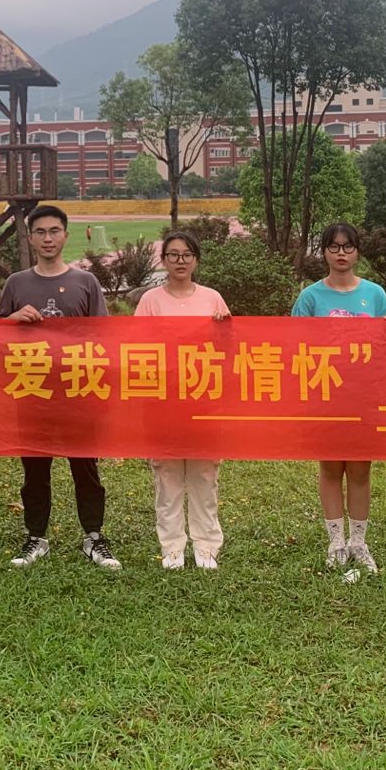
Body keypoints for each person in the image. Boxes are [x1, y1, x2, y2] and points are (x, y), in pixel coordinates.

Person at [0, 205, 121, 570]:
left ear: (65, 235)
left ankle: (94, 537)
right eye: (40, 232)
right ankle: (36, 537)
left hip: (78, 390)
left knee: (85, 468)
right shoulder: (16, 283)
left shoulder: (86, 282)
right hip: (32, 389)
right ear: (30, 238)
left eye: (54, 231)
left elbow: (103, 336)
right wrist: (12, 319)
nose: (48, 238)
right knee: (35, 469)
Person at [291, 222, 386, 579]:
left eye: (348, 247)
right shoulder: (310, 298)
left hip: (364, 396)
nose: (341, 253)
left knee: (361, 469)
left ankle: (359, 543)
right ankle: (336, 542)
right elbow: (294, 346)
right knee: (331, 468)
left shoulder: (375, 295)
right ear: (324, 252)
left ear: (357, 252)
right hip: (326, 396)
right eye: (333, 247)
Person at [133, 229, 231, 569]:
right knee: (167, 476)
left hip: (204, 399)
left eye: (187, 255)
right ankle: (172, 547)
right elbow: (137, 347)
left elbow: (229, 349)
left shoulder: (212, 298)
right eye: (173, 255)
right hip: (163, 400)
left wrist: (224, 328)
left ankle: (206, 546)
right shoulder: (150, 301)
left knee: (204, 475)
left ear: (196, 260)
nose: (180, 261)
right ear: (163, 260)